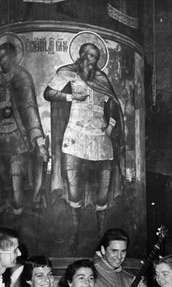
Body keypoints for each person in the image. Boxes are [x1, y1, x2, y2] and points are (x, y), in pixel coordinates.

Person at [44, 42, 125, 252]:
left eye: (96, 57)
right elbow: (49, 93)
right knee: (74, 186)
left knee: (103, 188)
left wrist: (110, 128)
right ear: (80, 55)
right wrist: (71, 96)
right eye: (89, 55)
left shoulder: (101, 79)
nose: (93, 60)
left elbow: (114, 105)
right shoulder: (68, 73)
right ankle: (75, 233)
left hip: (100, 140)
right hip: (75, 136)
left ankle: (101, 236)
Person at [0, 39, 48, 227]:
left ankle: (18, 216)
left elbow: (29, 108)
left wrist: (39, 141)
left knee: (16, 176)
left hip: (17, 134)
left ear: (14, 57)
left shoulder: (22, 77)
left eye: (5, 57)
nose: (2, 62)